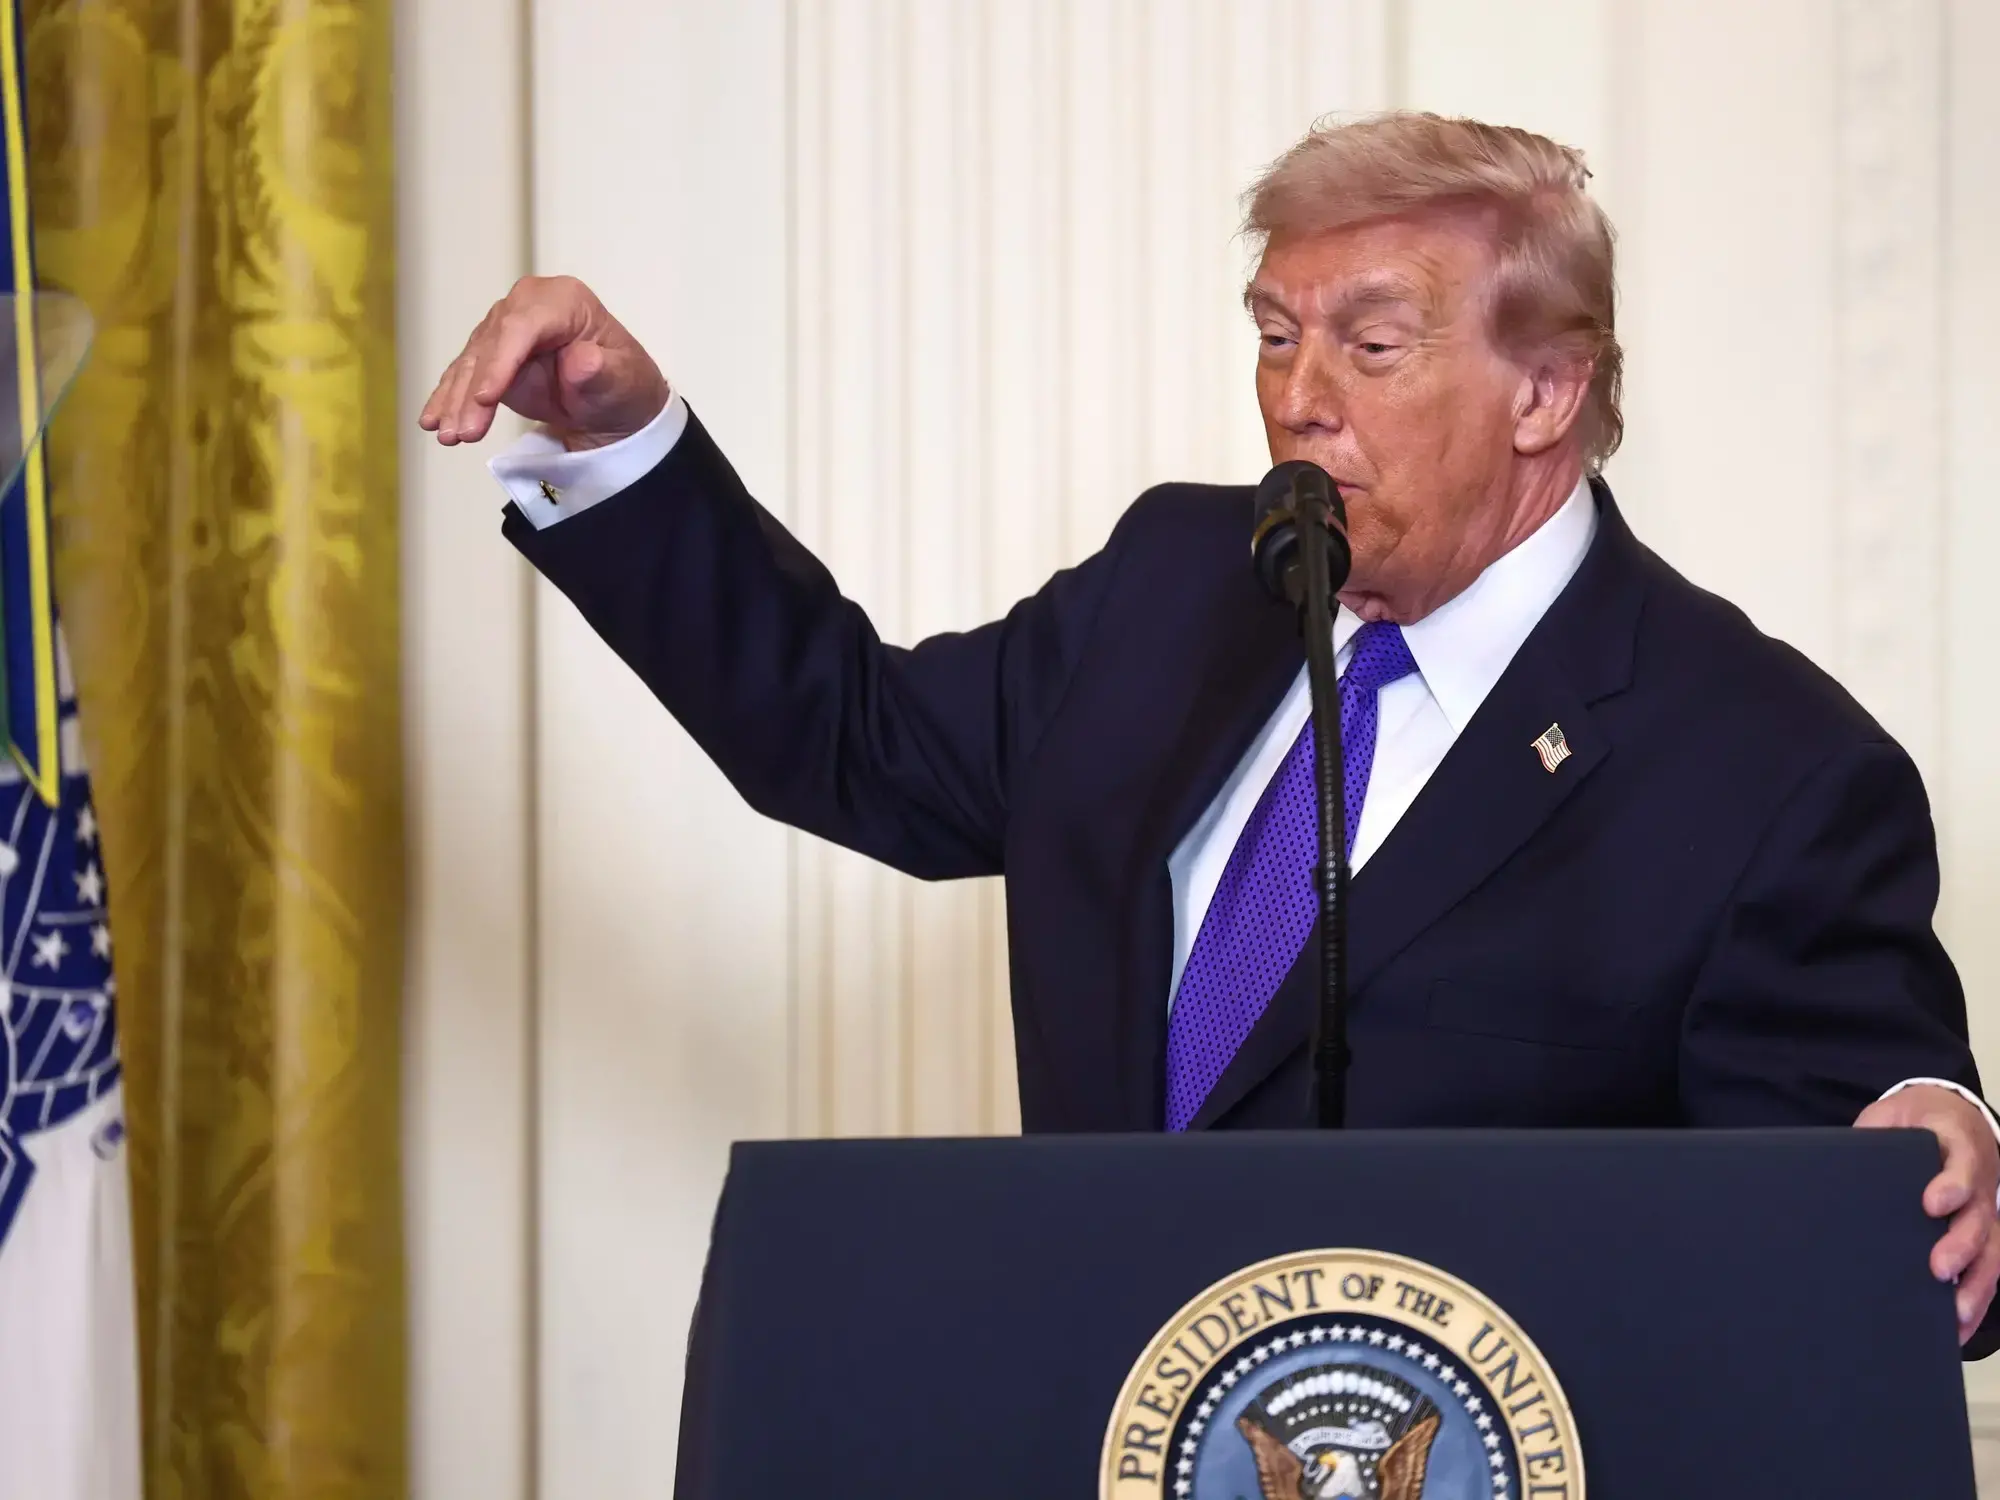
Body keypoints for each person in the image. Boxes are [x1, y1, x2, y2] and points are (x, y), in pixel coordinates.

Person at [420, 113, 2000, 1348]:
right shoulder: (1184, 584)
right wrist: (626, 451)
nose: (1299, 398)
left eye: (1369, 347)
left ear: (1546, 391)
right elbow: (851, 739)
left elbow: (1866, 1238)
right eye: (1272, 333)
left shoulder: (1767, 769)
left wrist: (1945, 1133)